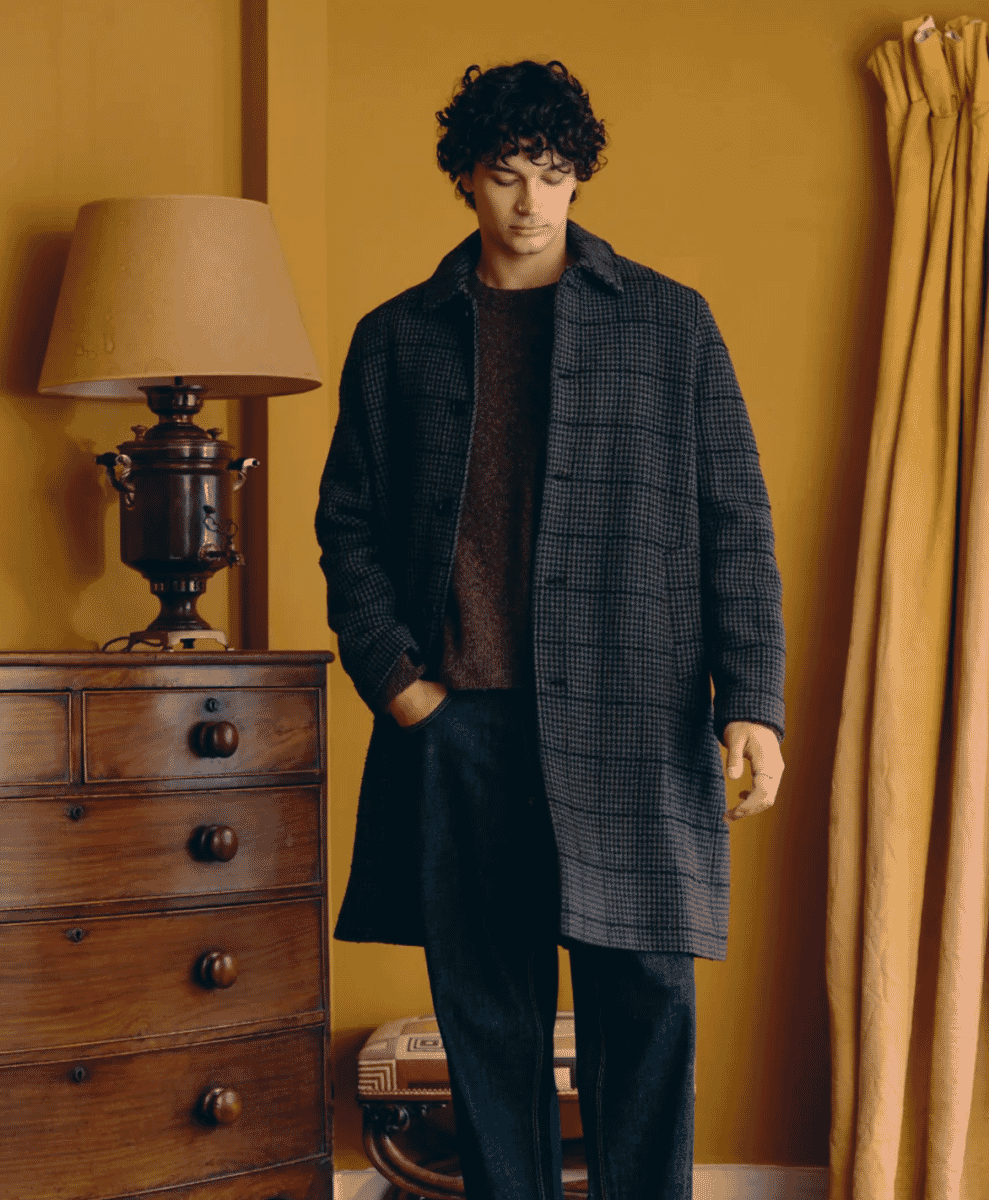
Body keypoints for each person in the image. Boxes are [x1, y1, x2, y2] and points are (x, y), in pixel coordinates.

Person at [316, 59, 785, 1200]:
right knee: (489, 1018)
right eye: (506, 175)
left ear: (580, 181)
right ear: (464, 181)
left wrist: (754, 704)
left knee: (646, 1007)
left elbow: (736, 523)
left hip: (635, 726)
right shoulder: (395, 339)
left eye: (555, 175)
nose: (531, 201)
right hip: (462, 728)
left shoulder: (670, 326)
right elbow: (347, 526)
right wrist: (398, 685)